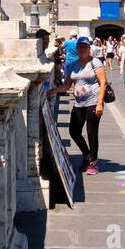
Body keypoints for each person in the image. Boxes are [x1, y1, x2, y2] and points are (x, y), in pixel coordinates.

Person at [50, 35, 107, 174]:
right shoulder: (73, 65)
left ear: (89, 48)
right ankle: (87, 155)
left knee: (91, 133)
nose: (82, 48)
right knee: (74, 131)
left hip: (93, 102)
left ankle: (93, 163)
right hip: (78, 103)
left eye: (85, 46)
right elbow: (67, 85)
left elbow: (103, 83)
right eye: (80, 46)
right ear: (76, 48)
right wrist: (53, 91)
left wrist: (100, 104)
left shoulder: (95, 63)